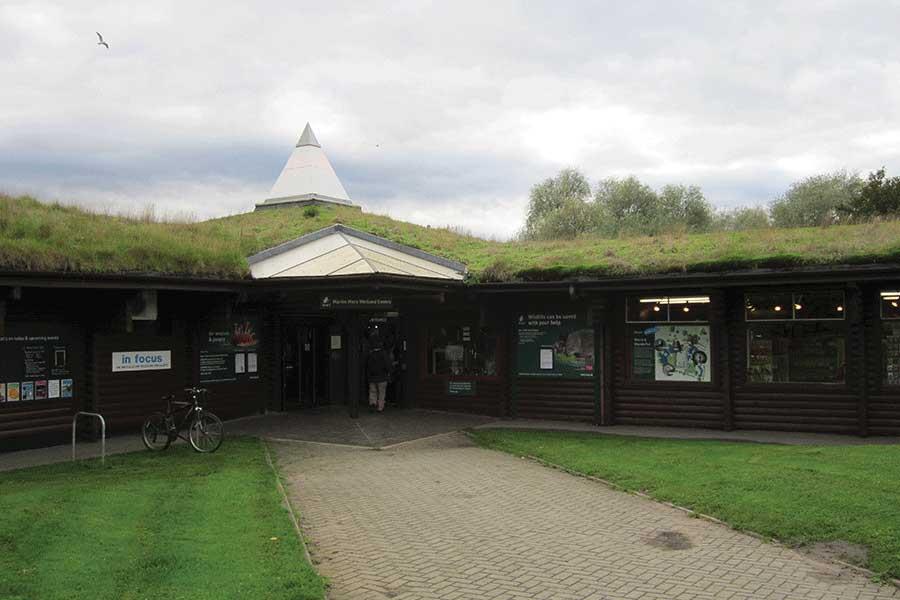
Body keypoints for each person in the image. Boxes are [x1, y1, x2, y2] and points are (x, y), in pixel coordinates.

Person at [366, 335, 392, 412]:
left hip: (372, 377)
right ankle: (380, 407)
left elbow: (367, 365)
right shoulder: (384, 354)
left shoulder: (370, 355)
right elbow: (388, 365)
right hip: (382, 376)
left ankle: (373, 403)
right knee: (382, 393)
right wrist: (390, 372)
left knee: (373, 391)